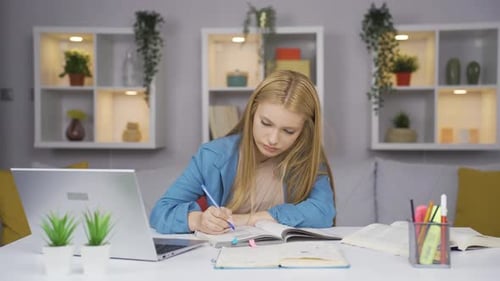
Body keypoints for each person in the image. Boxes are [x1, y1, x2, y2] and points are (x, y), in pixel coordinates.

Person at [150, 70, 335, 234]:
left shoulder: (307, 158)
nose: (273, 139)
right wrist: (198, 220)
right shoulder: (212, 156)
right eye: (266, 123)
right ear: (252, 112)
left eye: (288, 131)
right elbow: (161, 213)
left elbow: (324, 212)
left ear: (304, 130)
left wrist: (251, 219)